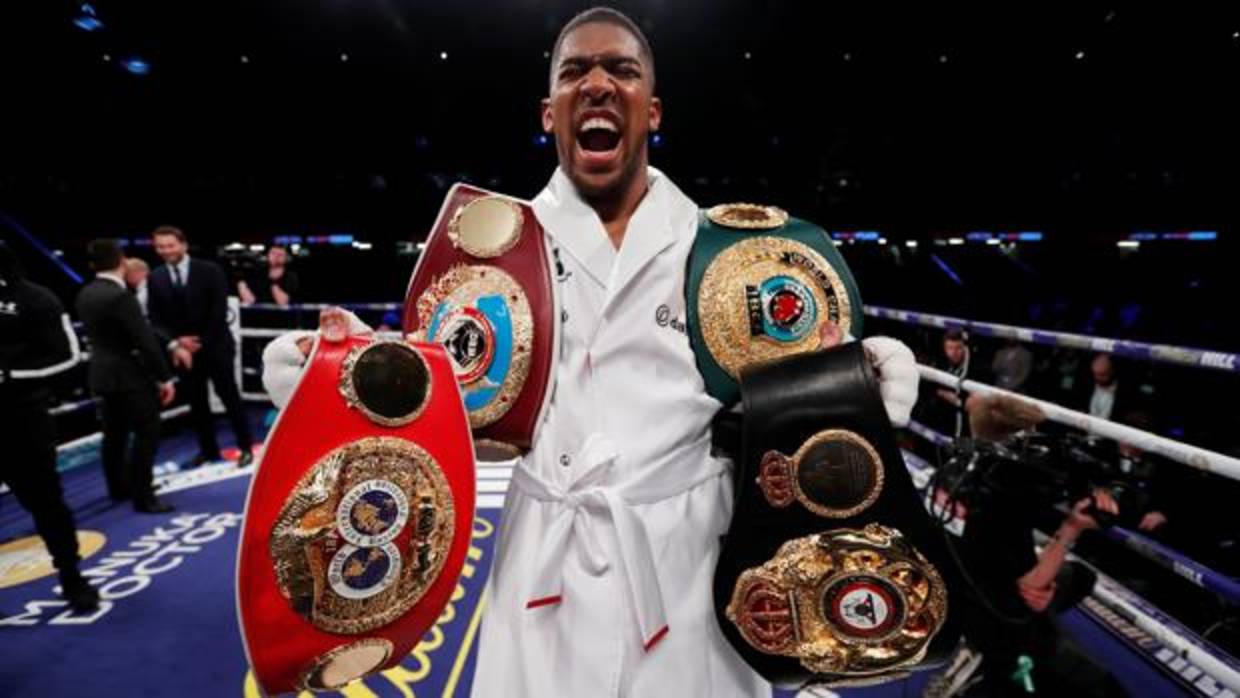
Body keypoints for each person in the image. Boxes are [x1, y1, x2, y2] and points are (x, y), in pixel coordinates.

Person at [262, 8, 918, 696]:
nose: (597, 84)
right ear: (550, 113)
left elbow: (797, 401)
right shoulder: (491, 257)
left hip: (687, 565)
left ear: (653, 110)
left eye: (622, 70)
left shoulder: (729, 255)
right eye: (575, 71)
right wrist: (334, 373)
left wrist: (860, 376)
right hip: (547, 562)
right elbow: (453, 415)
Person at [0, 240, 99, 612]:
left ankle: (72, 577)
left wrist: (9, 375)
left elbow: (68, 355)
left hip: (21, 418)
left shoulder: (35, 298)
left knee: (45, 503)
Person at [75, 239, 177, 512]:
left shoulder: (85, 293)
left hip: (101, 374)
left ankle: (119, 488)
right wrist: (164, 377)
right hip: (128, 376)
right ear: (121, 262)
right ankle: (143, 496)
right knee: (147, 433)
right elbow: (144, 341)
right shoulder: (120, 296)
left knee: (114, 435)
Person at [147, 225, 254, 467]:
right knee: (197, 403)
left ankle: (245, 447)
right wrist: (176, 343)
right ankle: (208, 450)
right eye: (160, 246)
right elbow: (156, 319)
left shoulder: (209, 270)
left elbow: (218, 311)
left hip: (216, 345)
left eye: (170, 245)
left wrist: (200, 342)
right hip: (184, 353)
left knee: (230, 397)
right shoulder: (156, 277)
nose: (165, 250)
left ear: (183, 245)